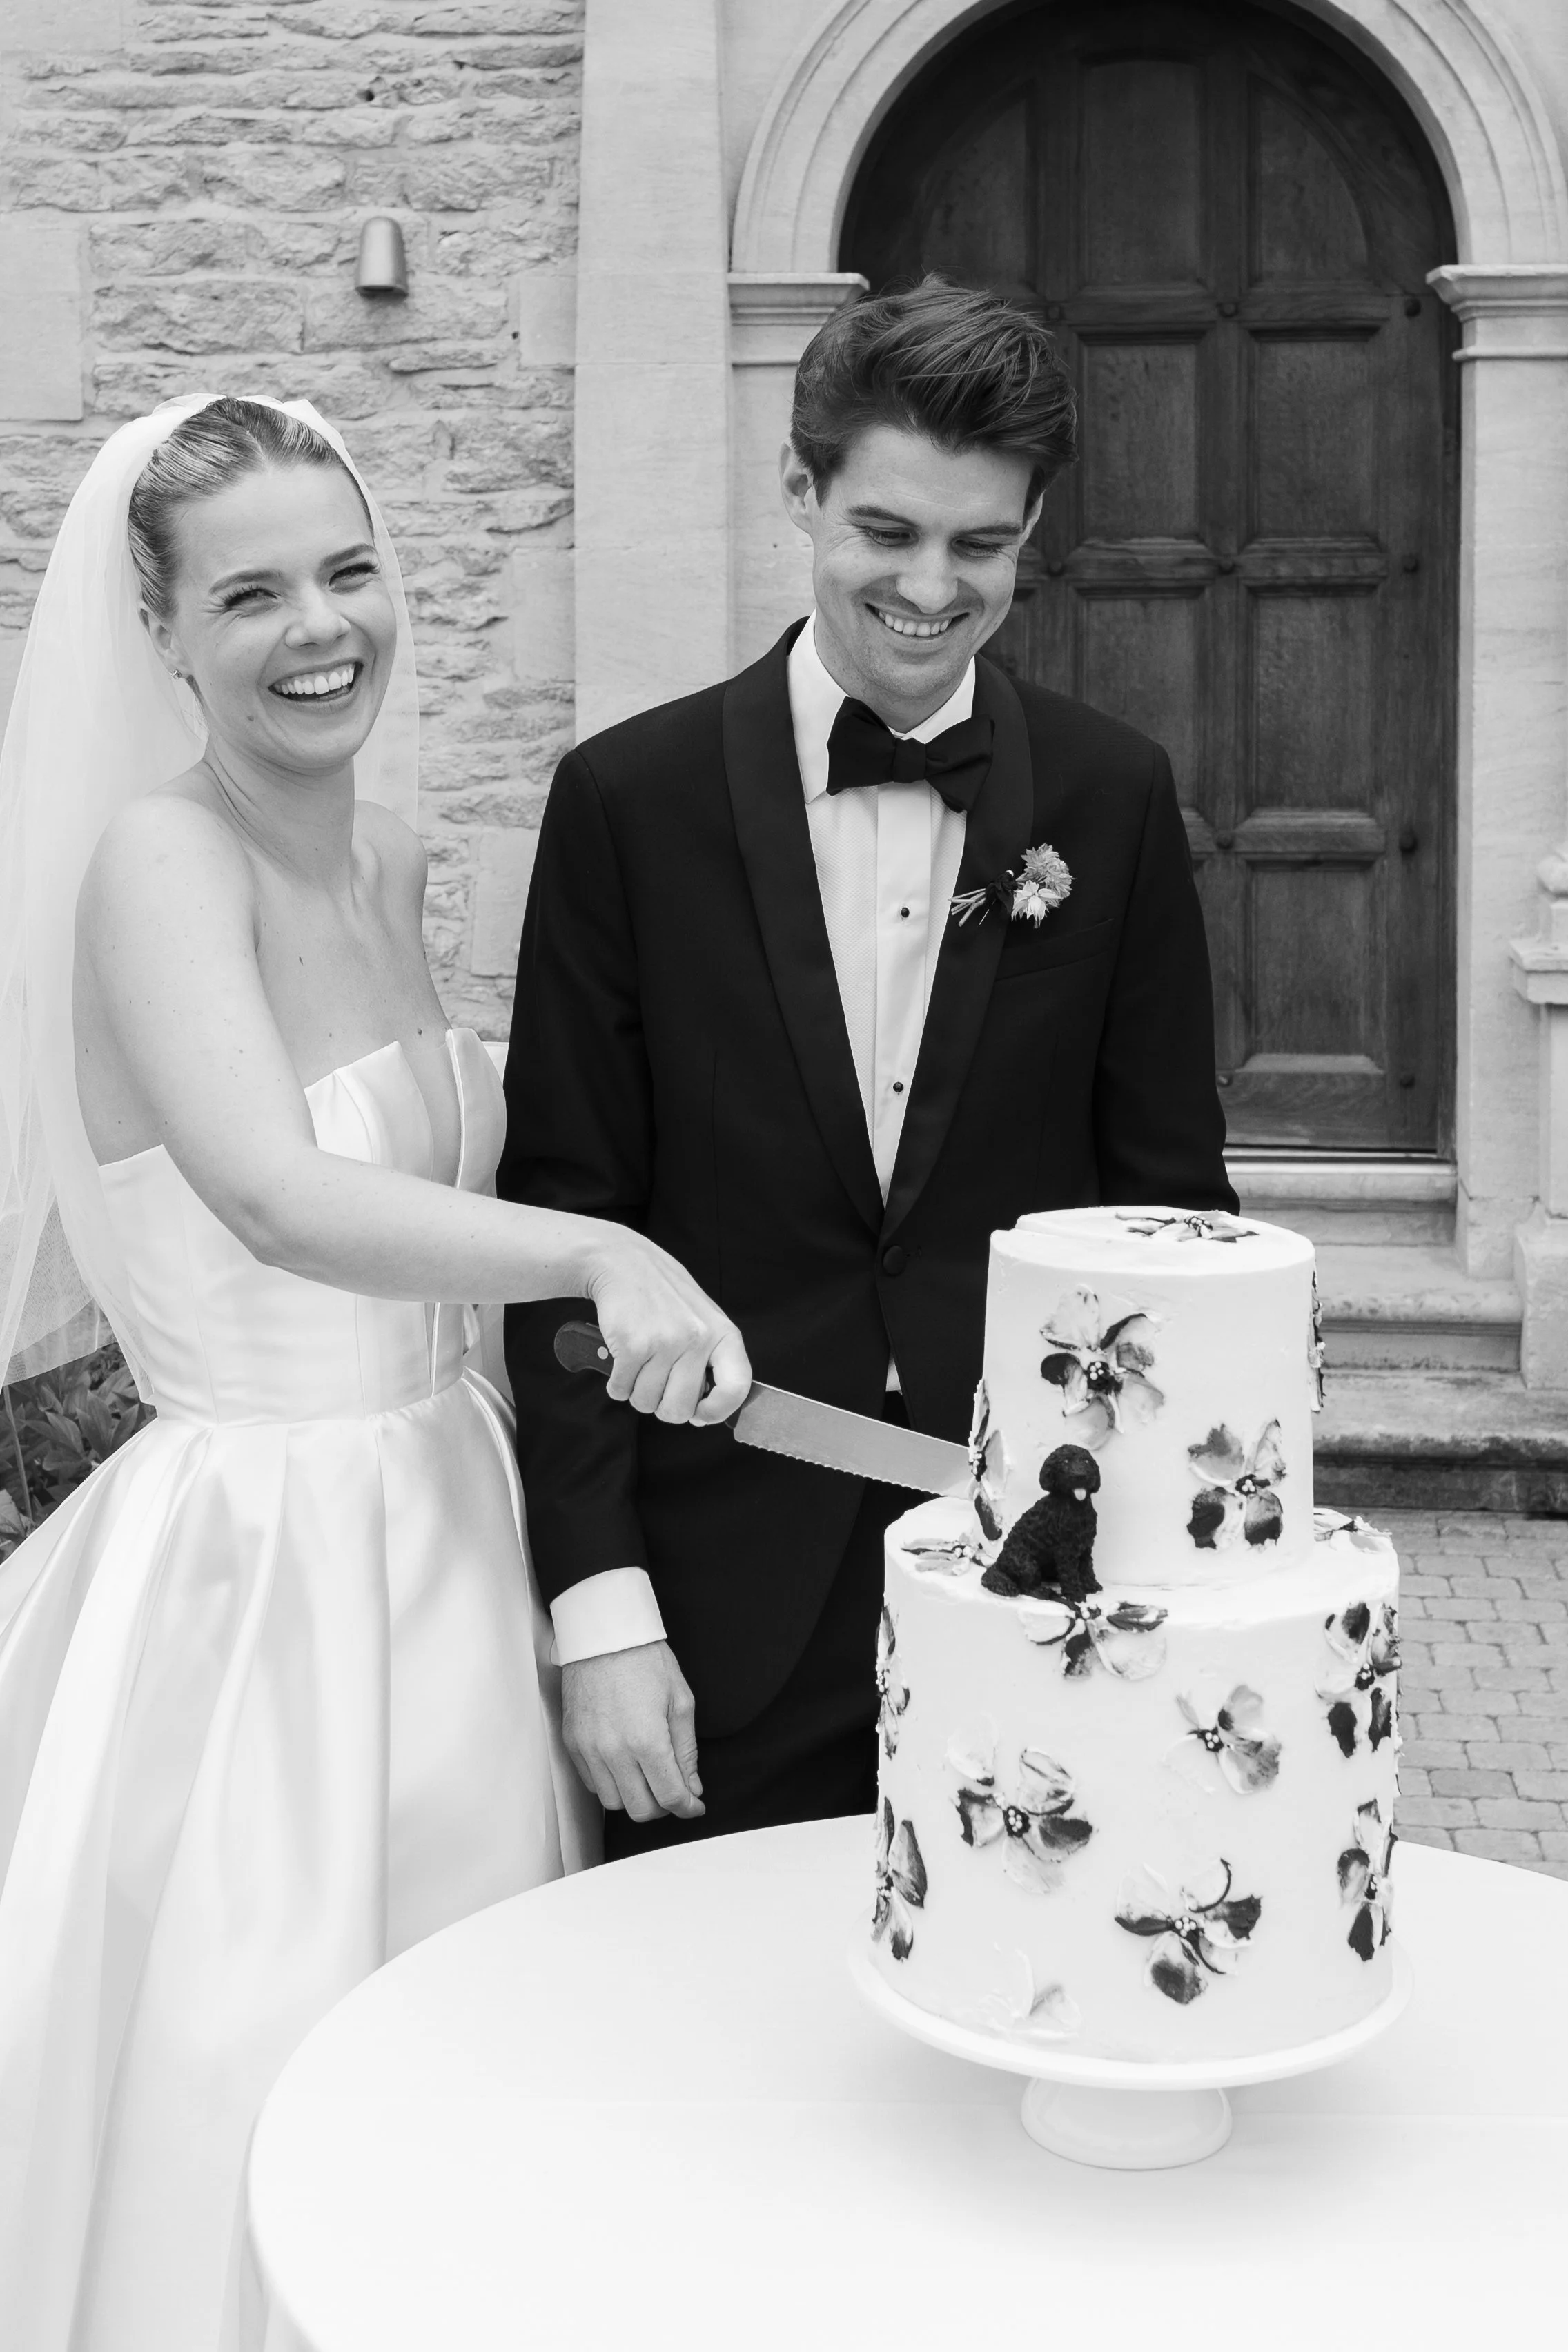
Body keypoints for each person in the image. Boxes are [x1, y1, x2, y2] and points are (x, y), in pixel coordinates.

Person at [0, 395, 749, 2352]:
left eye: (348, 571)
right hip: (260, 1577)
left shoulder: (402, 853)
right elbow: (274, 1195)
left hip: (454, 1526)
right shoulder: (156, 867)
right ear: (159, 632)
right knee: (251, 2058)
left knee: (459, 2060)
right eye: (249, 592)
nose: (319, 627)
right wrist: (601, 1253)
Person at [500, 280, 1237, 1859]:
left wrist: (1186, 1558)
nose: (928, 587)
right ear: (799, 492)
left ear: (1030, 529)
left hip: (1037, 1571)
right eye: (885, 532)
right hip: (713, 1596)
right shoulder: (626, 803)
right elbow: (564, 1217)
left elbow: (1173, 1213)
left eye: (977, 546)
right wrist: (599, 1610)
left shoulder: (1110, 798)